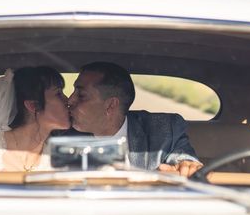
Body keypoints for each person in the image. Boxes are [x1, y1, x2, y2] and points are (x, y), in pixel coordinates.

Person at [68, 61, 203, 176]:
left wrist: (186, 166)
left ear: (110, 105)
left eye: (81, 95)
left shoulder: (165, 131)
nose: (70, 100)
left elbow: (184, 160)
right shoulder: (61, 131)